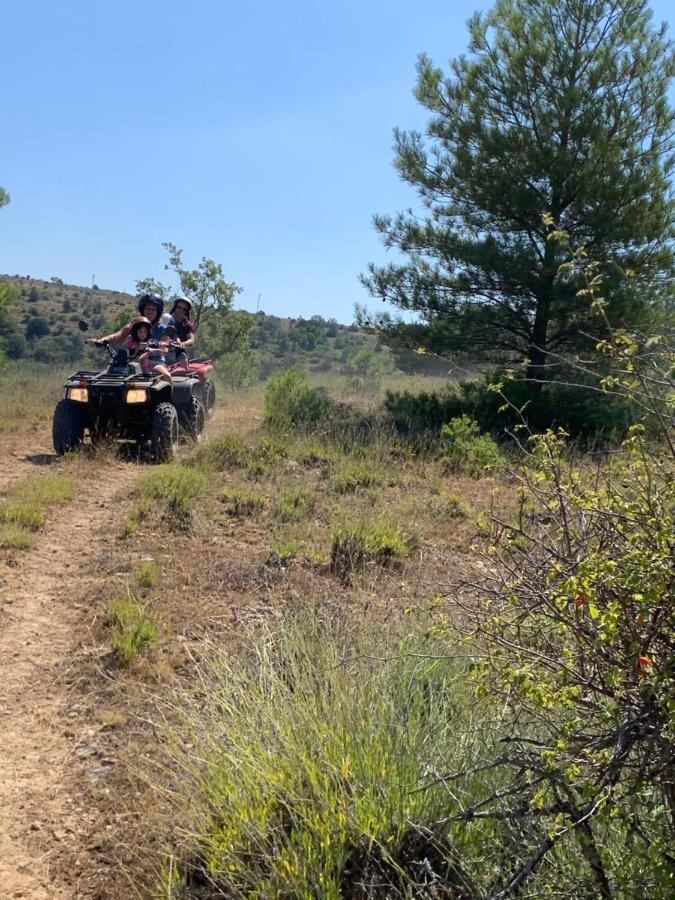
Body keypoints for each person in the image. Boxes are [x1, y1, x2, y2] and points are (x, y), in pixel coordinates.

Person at [87, 292, 170, 347]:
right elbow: (116, 336)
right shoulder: (135, 325)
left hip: (152, 365)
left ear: (158, 311)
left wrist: (158, 345)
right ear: (143, 310)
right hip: (131, 362)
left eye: (153, 309)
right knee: (108, 371)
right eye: (148, 308)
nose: (150, 311)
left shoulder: (163, 330)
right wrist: (101, 341)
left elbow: (165, 347)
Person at [126, 316, 172, 383]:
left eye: (145, 331)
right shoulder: (130, 341)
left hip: (145, 368)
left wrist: (158, 349)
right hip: (130, 367)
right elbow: (130, 355)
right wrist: (138, 349)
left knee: (164, 378)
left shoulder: (148, 342)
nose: (142, 334)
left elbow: (161, 350)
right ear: (135, 331)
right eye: (140, 331)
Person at [167, 296, 196, 367]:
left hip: (179, 353)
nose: (181, 310)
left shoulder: (187, 325)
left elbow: (191, 340)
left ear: (187, 311)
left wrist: (184, 344)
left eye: (184, 309)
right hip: (163, 351)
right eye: (179, 307)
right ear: (175, 307)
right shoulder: (167, 319)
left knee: (183, 361)